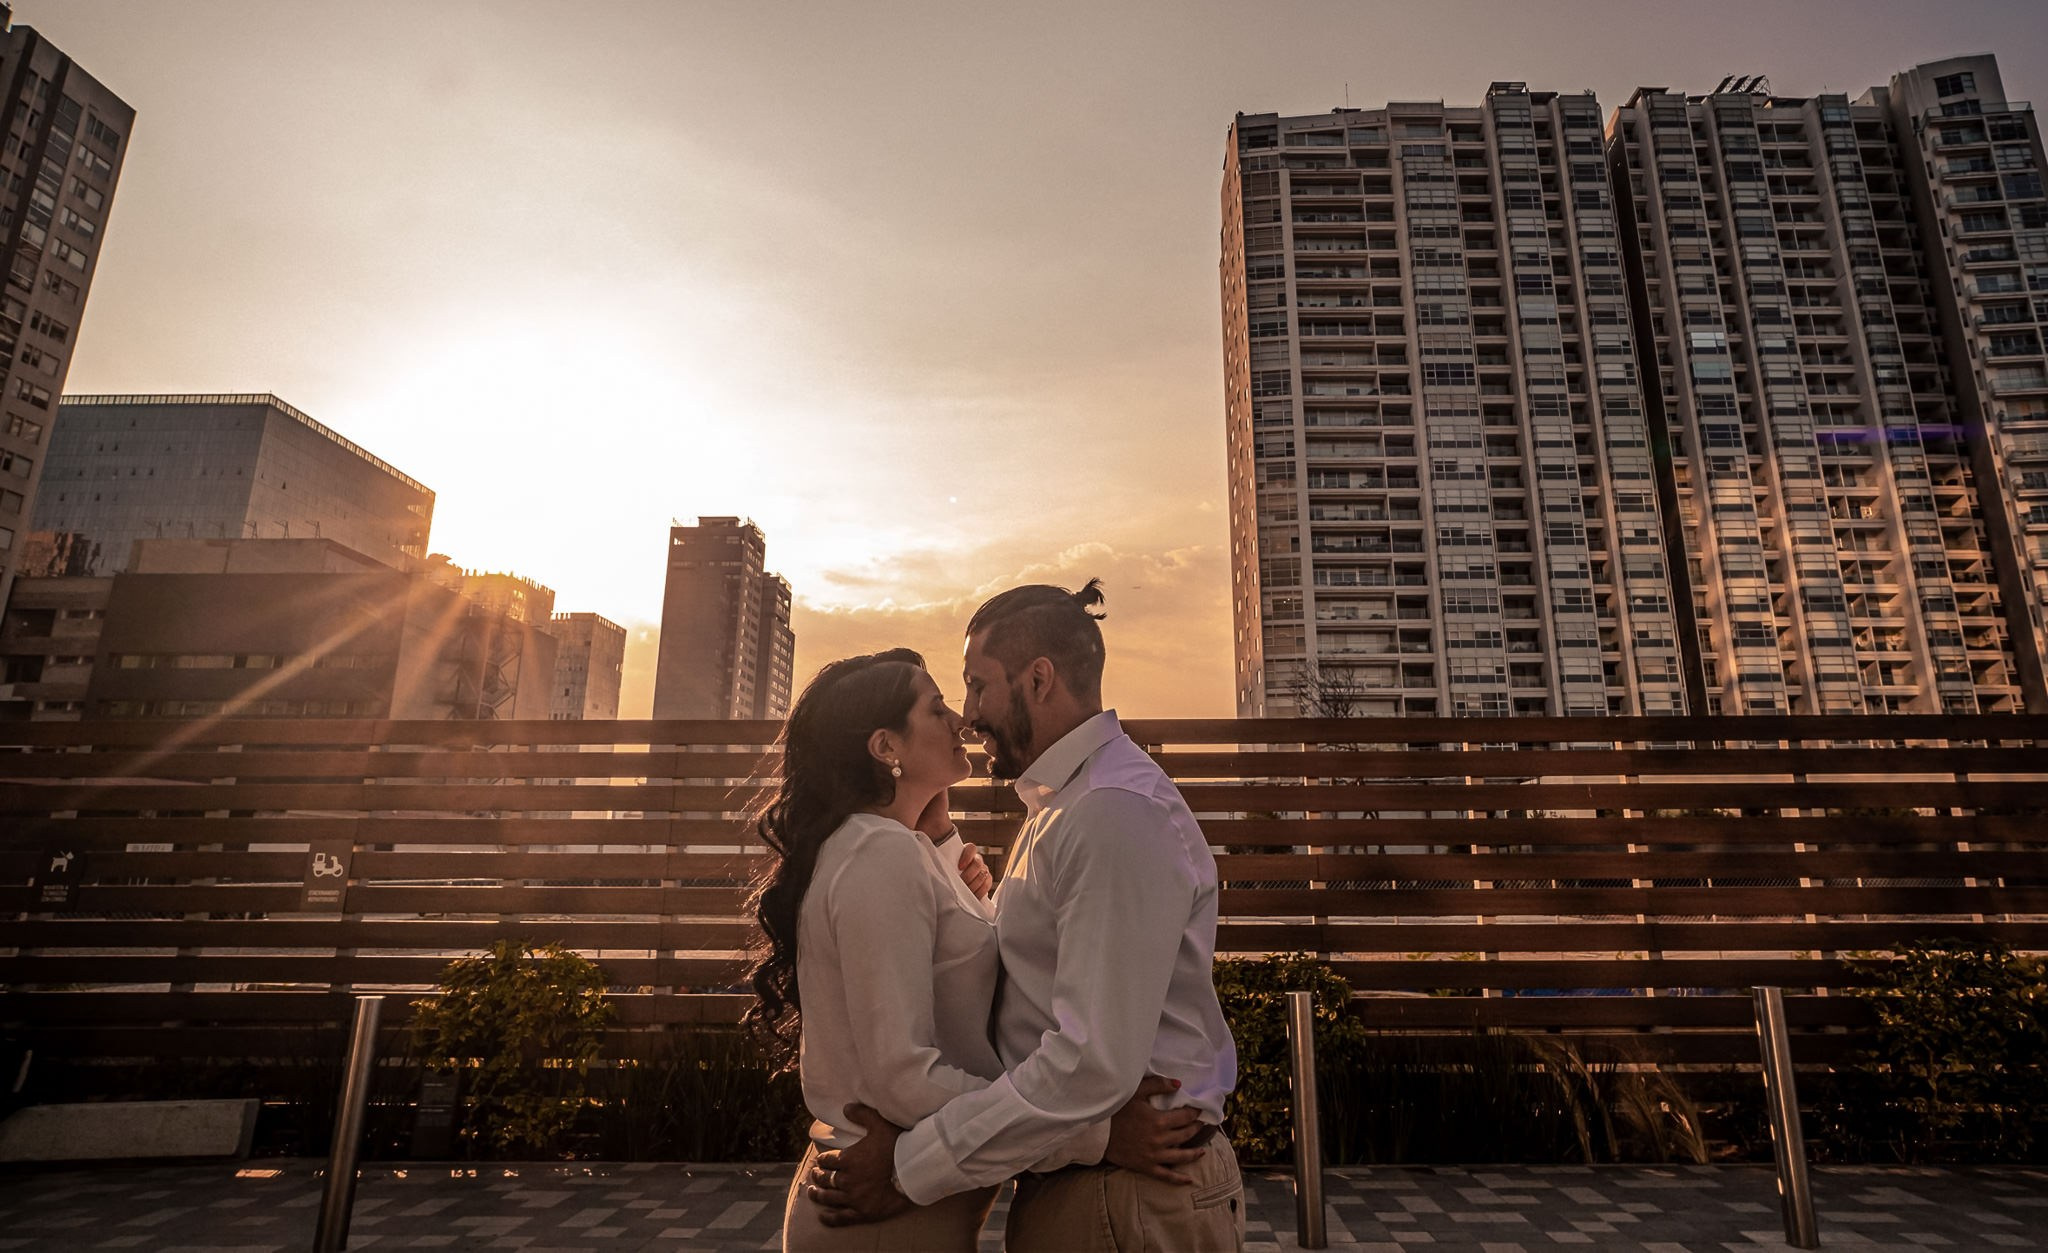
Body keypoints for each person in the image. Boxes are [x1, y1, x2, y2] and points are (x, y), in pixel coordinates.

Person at [807, 581, 1245, 1252]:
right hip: (1092, 1182)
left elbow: (1087, 1066)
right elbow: (1018, 991)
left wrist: (906, 1168)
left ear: (1038, 680)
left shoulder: (1110, 812)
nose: (969, 715)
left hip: (1129, 1195)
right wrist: (944, 841)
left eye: (978, 687)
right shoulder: (1063, 807)